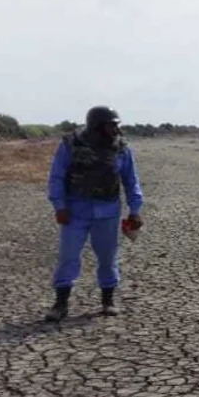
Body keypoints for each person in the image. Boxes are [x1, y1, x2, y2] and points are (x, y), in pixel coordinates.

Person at [45, 106, 144, 321]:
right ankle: (61, 303)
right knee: (68, 257)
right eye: (111, 126)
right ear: (96, 126)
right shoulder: (71, 145)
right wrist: (59, 206)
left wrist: (135, 210)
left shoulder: (121, 149)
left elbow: (131, 180)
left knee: (108, 257)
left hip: (108, 211)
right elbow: (56, 177)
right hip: (74, 212)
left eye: (116, 125)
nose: (115, 130)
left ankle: (108, 300)